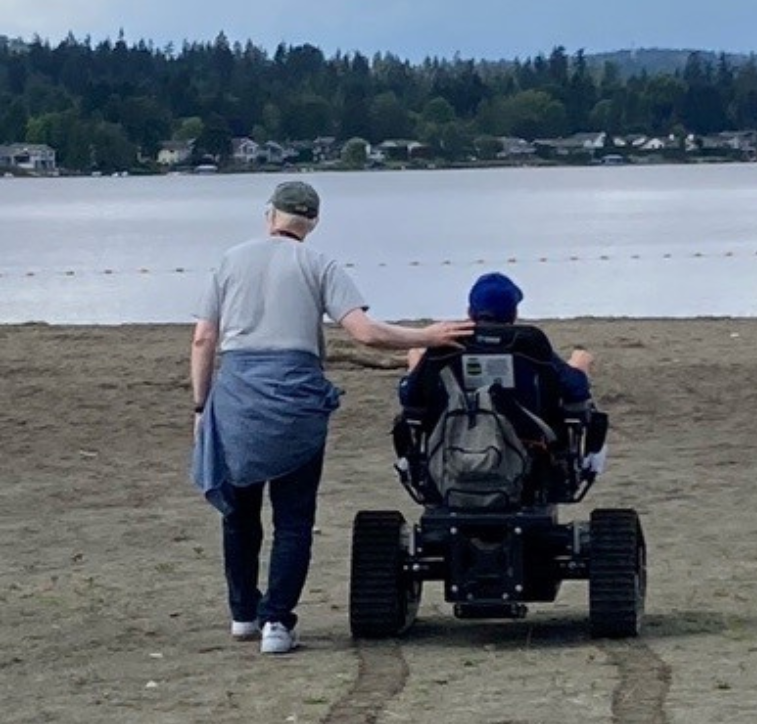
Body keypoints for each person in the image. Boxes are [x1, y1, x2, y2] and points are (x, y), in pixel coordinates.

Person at [190, 181, 472, 654]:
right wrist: (427, 335)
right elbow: (365, 333)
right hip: (296, 398)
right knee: (294, 518)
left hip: (237, 395)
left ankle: (242, 613)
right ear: (314, 223)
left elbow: (203, 339)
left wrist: (201, 406)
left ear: (269, 215)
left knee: (240, 513)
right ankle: (276, 623)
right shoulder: (319, 265)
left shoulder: (229, 260)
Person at [399, 272, 594, 406]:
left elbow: (410, 396)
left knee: (416, 358)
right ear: (514, 313)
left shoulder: (448, 343)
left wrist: (413, 368)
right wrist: (580, 364)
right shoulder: (528, 341)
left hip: (454, 447)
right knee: (579, 361)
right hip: (527, 442)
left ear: (469, 312)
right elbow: (576, 389)